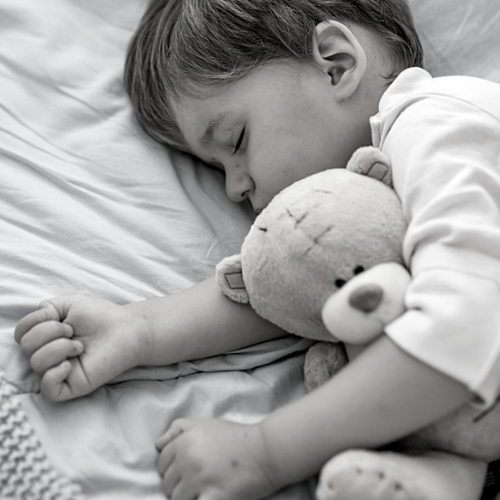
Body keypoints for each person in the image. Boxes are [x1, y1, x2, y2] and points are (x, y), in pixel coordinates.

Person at [14, 0, 500, 499]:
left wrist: (266, 451)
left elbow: (463, 329)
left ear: (336, 65)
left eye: (236, 139)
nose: (232, 190)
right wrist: (139, 329)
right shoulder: (375, 188)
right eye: (216, 168)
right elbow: (301, 278)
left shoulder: (441, 125)